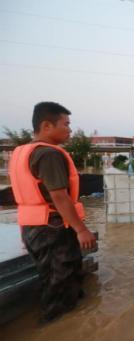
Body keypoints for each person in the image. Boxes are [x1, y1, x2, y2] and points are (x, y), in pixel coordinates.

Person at [8, 102, 96, 323]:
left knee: (52, 277)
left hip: (32, 226)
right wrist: (81, 229)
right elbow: (59, 196)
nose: (70, 129)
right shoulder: (48, 155)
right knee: (59, 284)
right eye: (65, 124)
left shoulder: (22, 152)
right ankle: (57, 334)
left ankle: (68, 325)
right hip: (52, 227)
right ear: (46, 126)